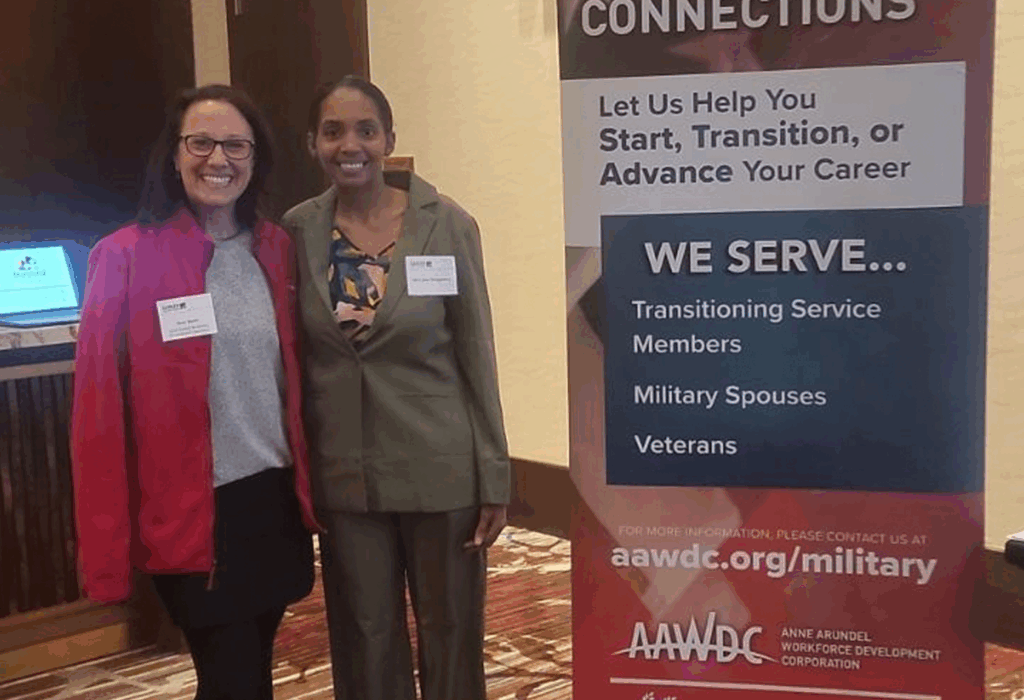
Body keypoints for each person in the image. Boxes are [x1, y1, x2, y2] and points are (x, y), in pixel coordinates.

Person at [71, 84, 319, 700]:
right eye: (201, 142)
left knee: (252, 663)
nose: (219, 159)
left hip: (272, 500)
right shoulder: (122, 257)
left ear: (256, 157)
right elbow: (98, 415)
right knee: (231, 673)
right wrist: (106, 545)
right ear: (175, 154)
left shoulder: (277, 248)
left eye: (236, 145)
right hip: (192, 512)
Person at [282, 75, 510, 700]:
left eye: (366, 130)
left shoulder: (446, 224)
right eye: (333, 132)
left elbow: (477, 354)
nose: (349, 145)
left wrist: (494, 475)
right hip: (347, 474)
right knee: (365, 636)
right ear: (312, 143)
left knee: (450, 631)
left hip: (442, 468)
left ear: (388, 139)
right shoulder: (297, 230)